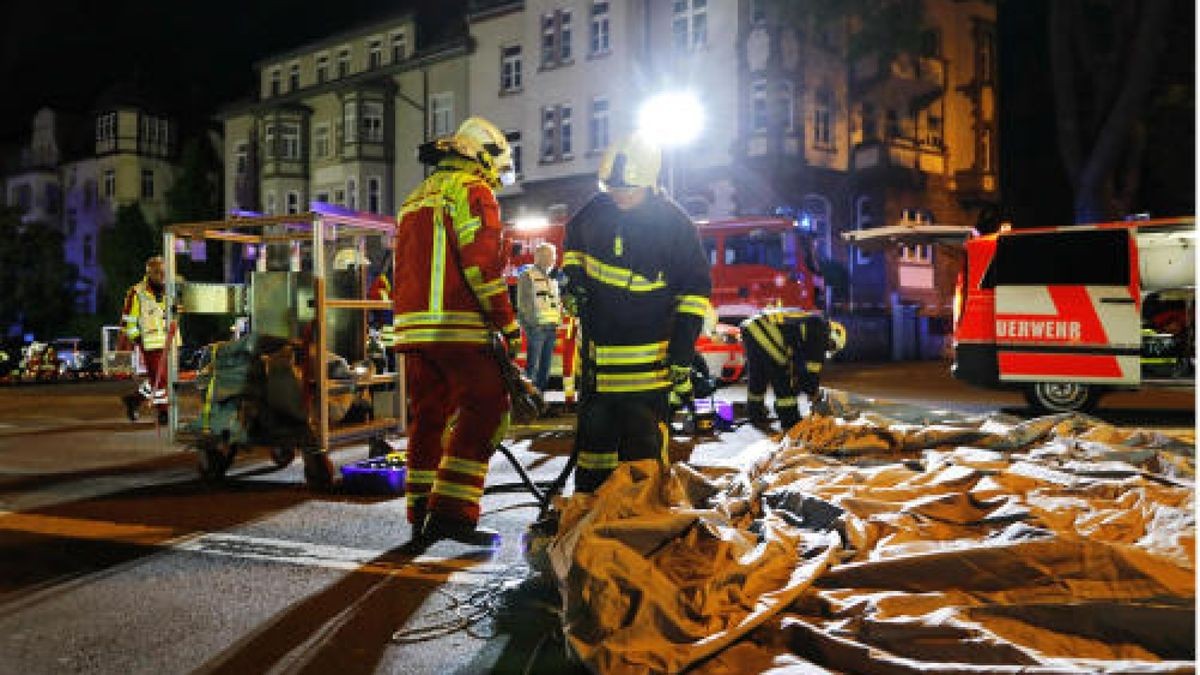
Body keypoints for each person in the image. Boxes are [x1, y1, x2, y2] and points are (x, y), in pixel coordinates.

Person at [391, 116, 520, 547]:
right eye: (497, 165)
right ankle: (452, 514)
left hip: (413, 329)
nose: (497, 176)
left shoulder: (415, 196)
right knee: (487, 408)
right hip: (457, 326)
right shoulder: (472, 191)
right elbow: (481, 268)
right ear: (483, 157)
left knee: (429, 416)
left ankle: (420, 514)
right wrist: (508, 323)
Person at [562, 134, 712, 493]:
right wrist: (573, 282)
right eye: (612, 187)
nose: (618, 195)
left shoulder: (673, 224)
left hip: (650, 370)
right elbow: (572, 249)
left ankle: (642, 518)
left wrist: (681, 351)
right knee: (594, 450)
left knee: (642, 448)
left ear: (648, 181)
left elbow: (694, 292)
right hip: (598, 368)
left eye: (627, 188)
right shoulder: (594, 212)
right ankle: (590, 513)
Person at [740, 309, 846, 430]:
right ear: (832, 336)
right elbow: (810, 371)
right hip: (767, 328)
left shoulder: (809, 322)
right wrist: (813, 393)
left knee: (758, 374)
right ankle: (790, 420)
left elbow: (798, 360)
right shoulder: (820, 330)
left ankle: (755, 412)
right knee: (781, 375)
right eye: (831, 346)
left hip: (750, 327)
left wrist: (801, 384)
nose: (826, 349)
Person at [118, 255, 172, 424]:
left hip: (169, 341)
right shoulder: (137, 292)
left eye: (163, 272)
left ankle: (135, 399)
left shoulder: (170, 289)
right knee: (160, 379)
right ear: (149, 273)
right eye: (157, 272)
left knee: (163, 378)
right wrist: (137, 338)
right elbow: (128, 320)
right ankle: (163, 412)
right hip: (149, 343)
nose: (161, 275)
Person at [516, 242, 562, 393]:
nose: (554, 259)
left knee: (545, 366)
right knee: (532, 366)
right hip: (537, 328)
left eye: (554, 256)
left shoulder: (552, 278)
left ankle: (540, 397)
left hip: (550, 327)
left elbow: (553, 302)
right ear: (539, 257)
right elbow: (523, 303)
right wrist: (533, 324)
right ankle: (529, 399)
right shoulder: (527, 276)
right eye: (550, 255)